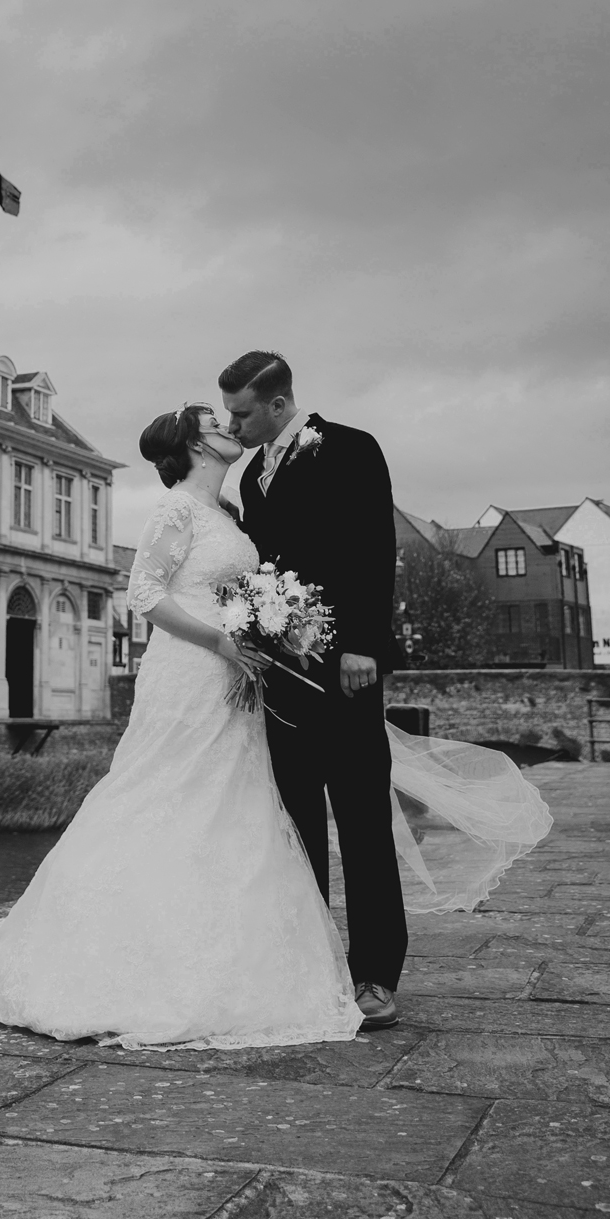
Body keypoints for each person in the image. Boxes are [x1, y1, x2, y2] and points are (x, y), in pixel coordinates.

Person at [0, 405, 363, 1050]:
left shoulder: (229, 515)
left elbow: (233, 592)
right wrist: (222, 641)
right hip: (191, 669)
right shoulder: (176, 510)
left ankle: (230, 957)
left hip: (232, 671)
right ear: (192, 444)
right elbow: (145, 596)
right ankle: (119, 959)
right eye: (215, 422)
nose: (228, 429)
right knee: (164, 791)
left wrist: (273, 625)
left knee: (229, 800)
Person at [220, 350, 407, 1029]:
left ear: (276, 402)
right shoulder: (246, 479)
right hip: (281, 681)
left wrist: (362, 641)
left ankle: (376, 975)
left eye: (240, 412)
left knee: (360, 819)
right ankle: (312, 963)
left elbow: (371, 544)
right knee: (294, 823)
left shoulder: (351, 448)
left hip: (344, 669)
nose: (230, 424)